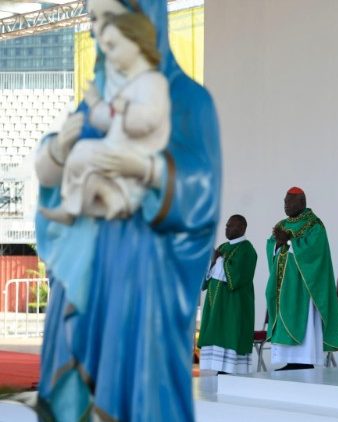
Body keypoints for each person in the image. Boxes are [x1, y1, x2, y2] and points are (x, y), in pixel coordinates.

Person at [34, 0, 222, 420]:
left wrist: (146, 168)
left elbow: (202, 194)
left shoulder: (189, 101)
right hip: (84, 272)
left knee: (132, 391)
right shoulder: (93, 104)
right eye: (93, 20)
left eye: (110, 19)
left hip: (141, 278)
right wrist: (60, 147)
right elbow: (51, 173)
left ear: (143, 22)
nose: (98, 33)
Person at [40, 11, 170, 225]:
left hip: (132, 155)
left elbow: (148, 120)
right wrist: (96, 104)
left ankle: (93, 202)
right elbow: (108, 119)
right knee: (88, 176)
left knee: (84, 153)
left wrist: (124, 109)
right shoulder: (126, 85)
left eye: (113, 46)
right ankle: (97, 202)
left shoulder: (152, 83)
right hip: (113, 154)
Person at [265, 187, 338, 370]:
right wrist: (277, 243)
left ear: (302, 202)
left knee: (304, 320)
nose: (285, 205)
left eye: (289, 202)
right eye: (284, 201)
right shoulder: (282, 224)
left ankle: (304, 360)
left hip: (303, 284)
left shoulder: (314, 225)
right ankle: (289, 360)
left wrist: (290, 241)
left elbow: (315, 250)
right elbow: (271, 245)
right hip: (282, 285)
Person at [198, 215, 257, 375]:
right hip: (216, 305)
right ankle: (220, 369)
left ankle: (229, 371)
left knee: (230, 334)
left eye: (232, 226)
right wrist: (211, 261)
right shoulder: (223, 247)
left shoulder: (247, 250)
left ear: (243, 228)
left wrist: (217, 260)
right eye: (226, 225)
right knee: (216, 337)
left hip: (234, 305)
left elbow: (235, 277)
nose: (227, 228)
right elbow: (210, 273)